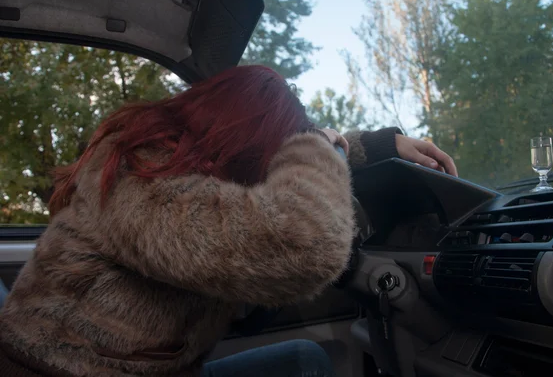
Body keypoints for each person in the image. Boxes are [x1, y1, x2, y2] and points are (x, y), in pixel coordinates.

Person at [0, 65, 456, 377]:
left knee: (302, 358)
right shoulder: (142, 178)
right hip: (59, 371)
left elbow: (275, 171)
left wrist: (372, 146)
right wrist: (317, 143)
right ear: (238, 140)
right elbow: (306, 242)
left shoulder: (180, 169)